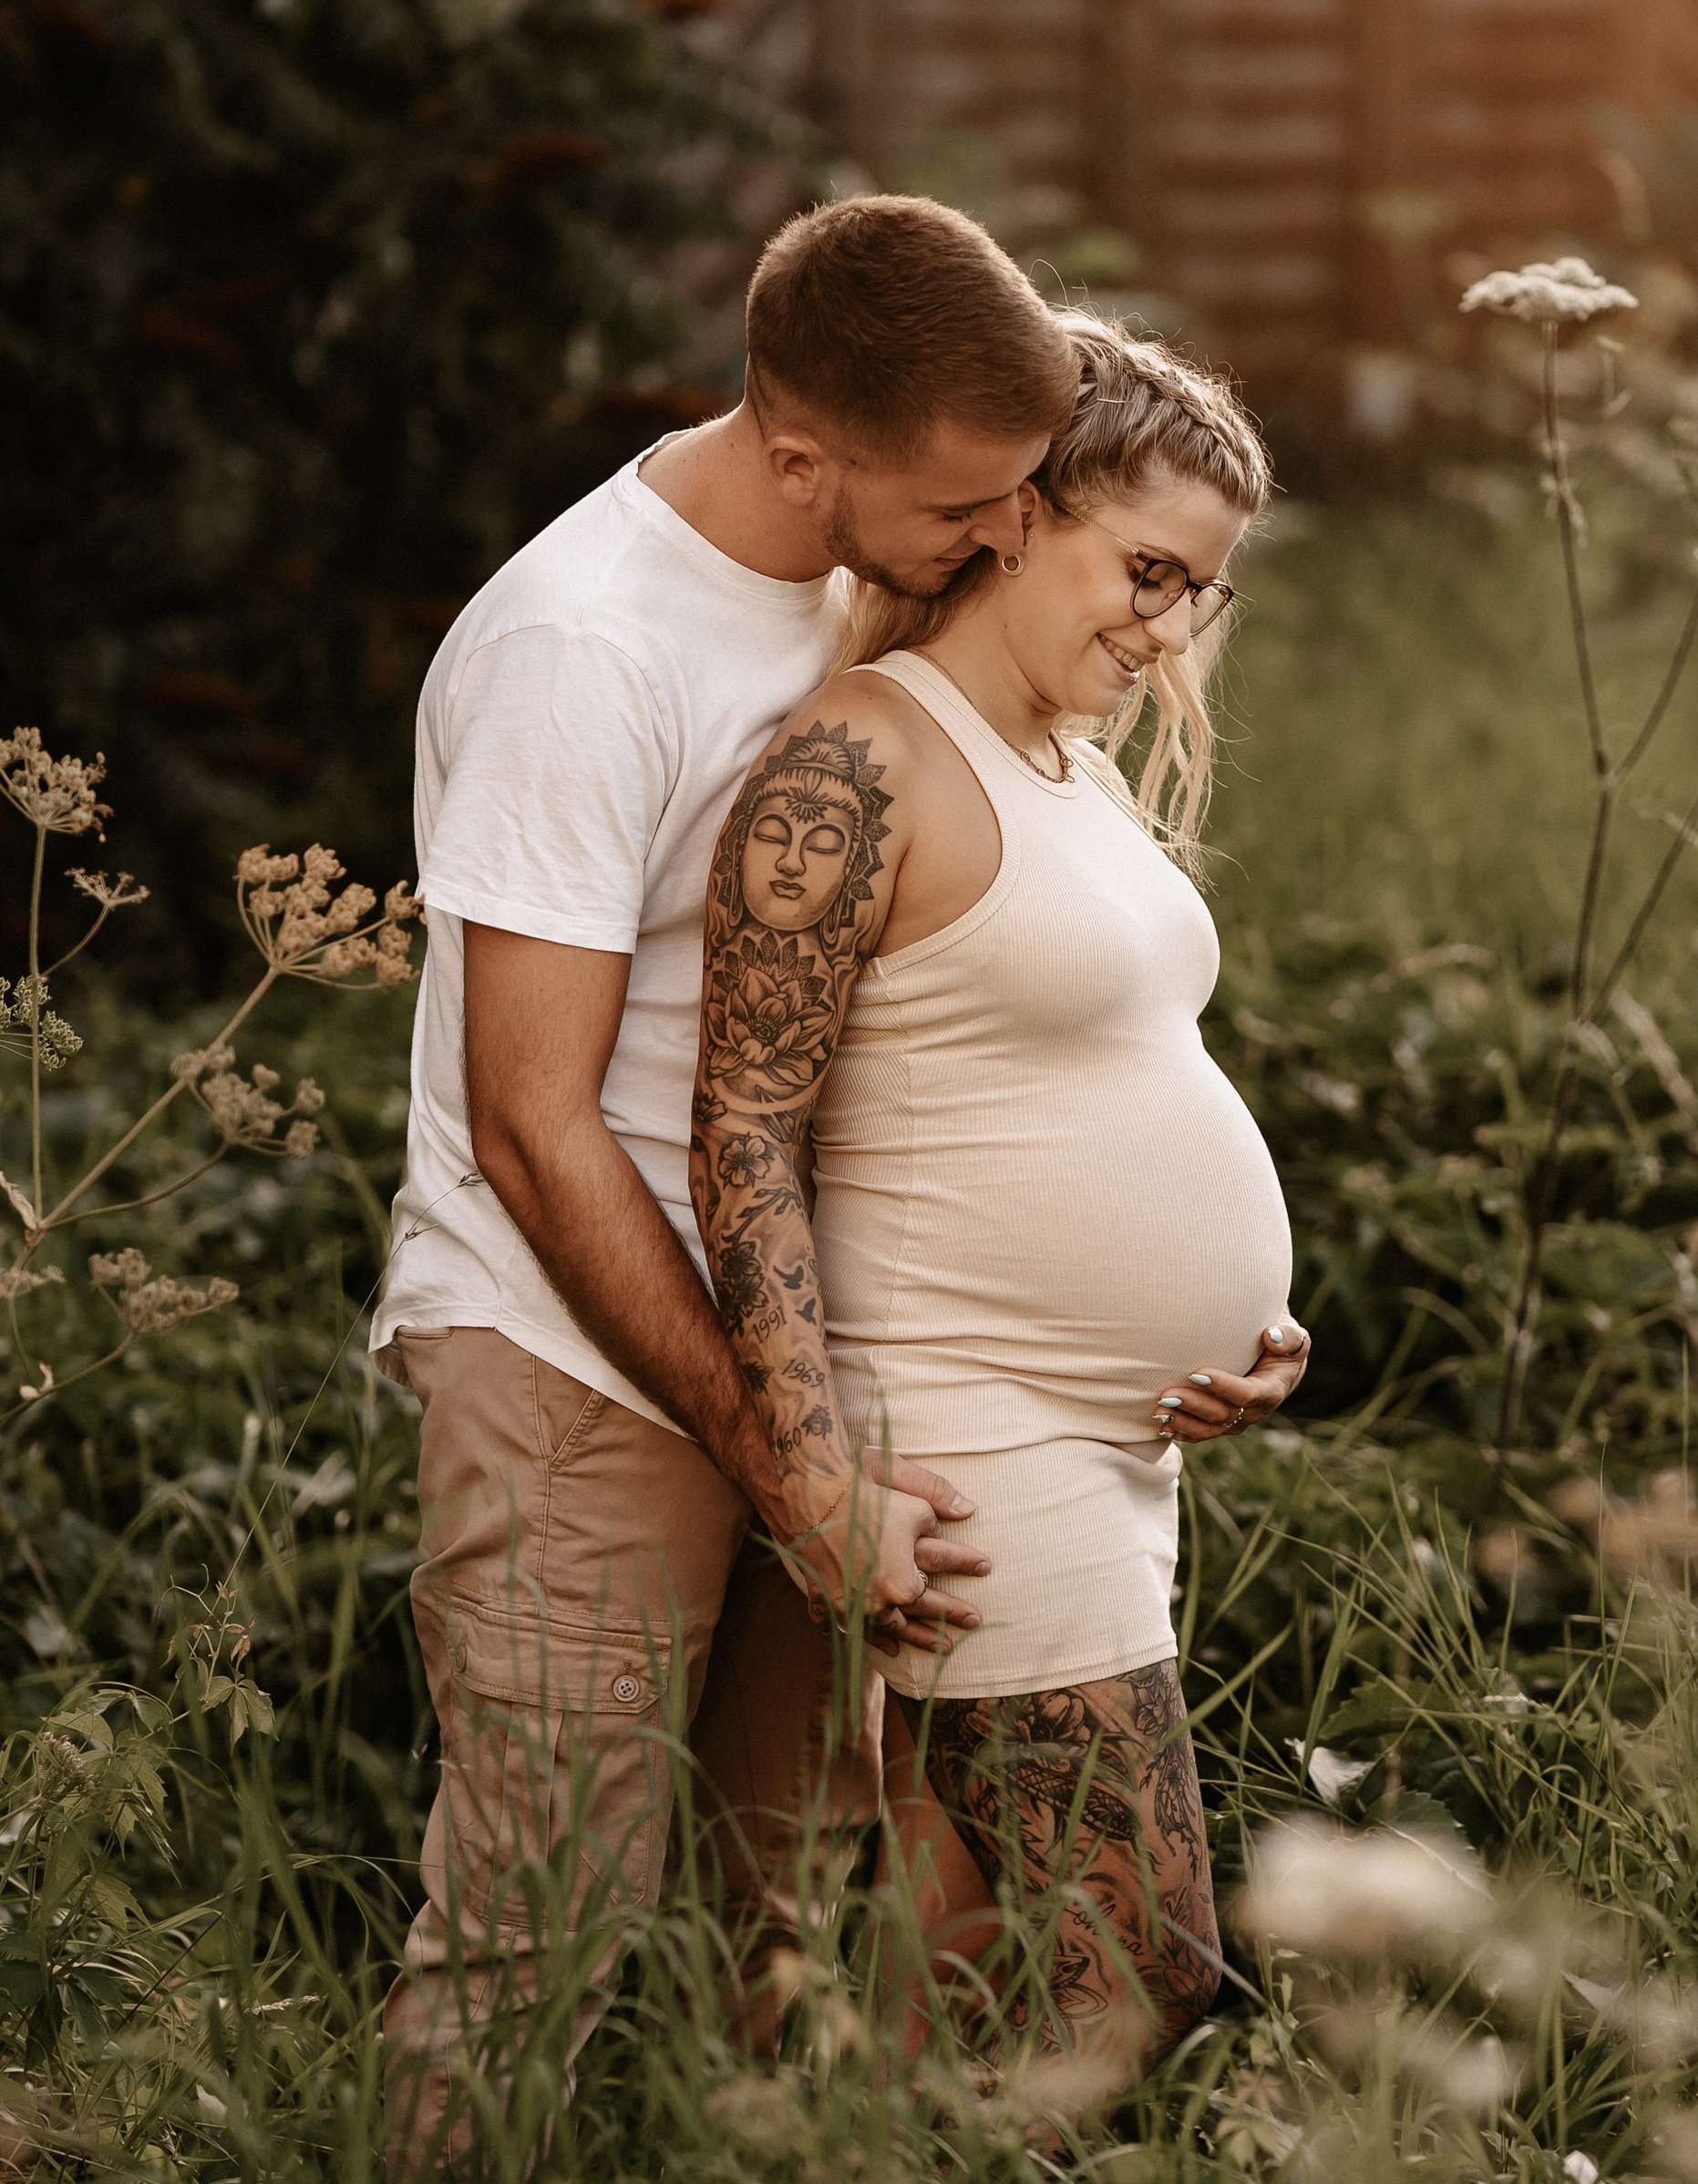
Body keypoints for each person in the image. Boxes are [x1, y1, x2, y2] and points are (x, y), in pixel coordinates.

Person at [373, 195, 1084, 2177]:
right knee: (540, 1930)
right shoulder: (584, 650)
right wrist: (786, 1461)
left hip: (800, 1346)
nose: (1004, 538)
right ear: (798, 455)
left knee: (763, 1921)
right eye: (965, 503)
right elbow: (533, 1124)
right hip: (582, 1364)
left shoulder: (863, 576)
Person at [690, 314, 1311, 2090]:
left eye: (1194, 591)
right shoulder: (860, 759)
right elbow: (743, 1131)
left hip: (1117, 1451)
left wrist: (1243, 1322)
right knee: (1138, 1967)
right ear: (1020, 512)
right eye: (1145, 571)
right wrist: (821, 1476)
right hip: (977, 1446)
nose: (1167, 628)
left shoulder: (1071, 765)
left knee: (971, 1977)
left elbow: (1081, 1080)